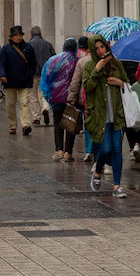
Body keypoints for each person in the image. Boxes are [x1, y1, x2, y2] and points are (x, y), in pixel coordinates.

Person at [83, 35, 129, 196]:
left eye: (103, 47)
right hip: (99, 116)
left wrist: (120, 83)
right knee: (106, 148)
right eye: (97, 48)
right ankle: (98, 171)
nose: (101, 50)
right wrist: (97, 69)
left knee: (117, 149)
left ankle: (117, 187)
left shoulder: (116, 64)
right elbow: (87, 87)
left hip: (116, 114)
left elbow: (127, 84)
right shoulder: (89, 66)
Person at [39, 38, 79, 161]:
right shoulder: (77, 61)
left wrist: (48, 94)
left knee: (57, 123)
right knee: (70, 123)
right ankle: (68, 152)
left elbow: (46, 77)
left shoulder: (53, 60)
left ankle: (59, 150)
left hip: (56, 97)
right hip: (71, 98)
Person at [0, 24, 36, 135]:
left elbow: (33, 63)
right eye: (16, 35)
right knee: (10, 104)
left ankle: (25, 125)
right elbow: (1, 64)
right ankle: (12, 125)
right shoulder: (6, 48)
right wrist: (2, 75)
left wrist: (30, 74)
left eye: (19, 35)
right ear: (11, 37)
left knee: (24, 103)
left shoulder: (28, 47)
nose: (18, 37)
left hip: (25, 80)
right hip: (10, 81)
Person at [66, 36, 94, 164]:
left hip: (85, 99)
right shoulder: (106, 60)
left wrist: (72, 97)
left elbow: (75, 82)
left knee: (88, 124)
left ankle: (89, 150)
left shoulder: (82, 61)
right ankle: (94, 149)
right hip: (98, 99)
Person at [29, 26, 55, 125]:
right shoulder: (47, 44)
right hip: (45, 74)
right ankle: (45, 109)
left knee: (33, 96)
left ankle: (36, 117)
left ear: (31, 35)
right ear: (41, 34)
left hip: (32, 74)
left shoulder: (27, 45)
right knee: (44, 94)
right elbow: (53, 58)